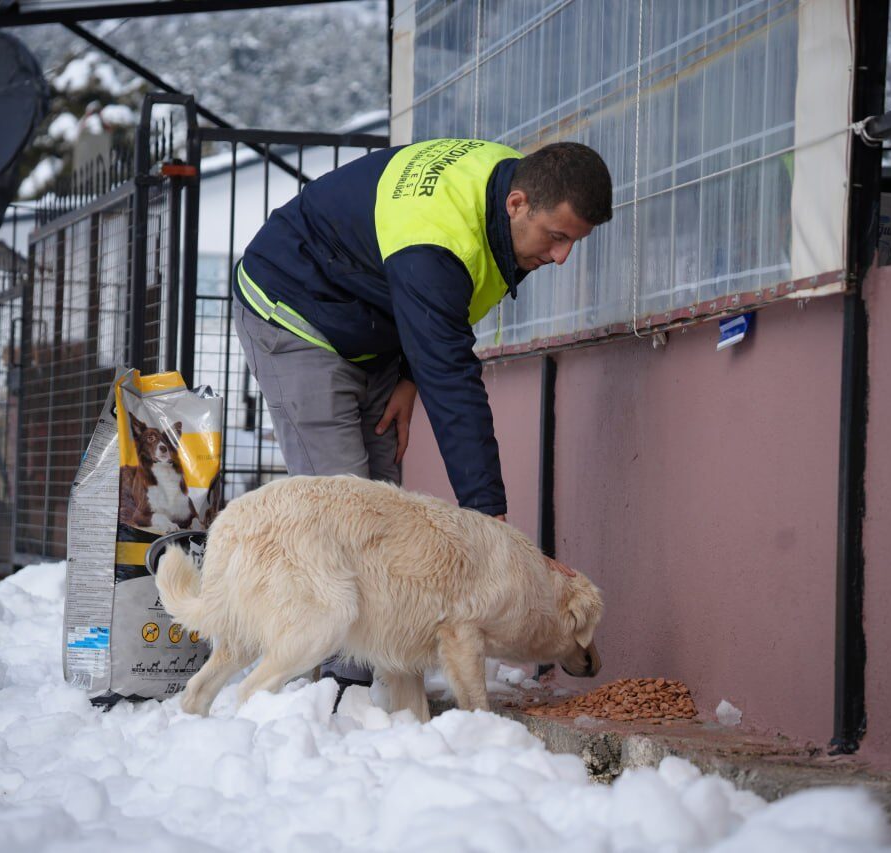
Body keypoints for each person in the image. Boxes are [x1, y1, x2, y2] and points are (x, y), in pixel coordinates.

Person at [231, 137, 613, 690]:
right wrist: (488, 520)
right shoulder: (440, 240)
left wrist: (407, 376)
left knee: (383, 517)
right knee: (343, 513)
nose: (561, 258)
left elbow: (442, 320)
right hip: (293, 308)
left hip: (374, 315)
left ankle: (376, 682)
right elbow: (453, 381)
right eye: (556, 237)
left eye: (574, 242)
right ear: (517, 204)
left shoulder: (511, 184)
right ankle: (340, 695)